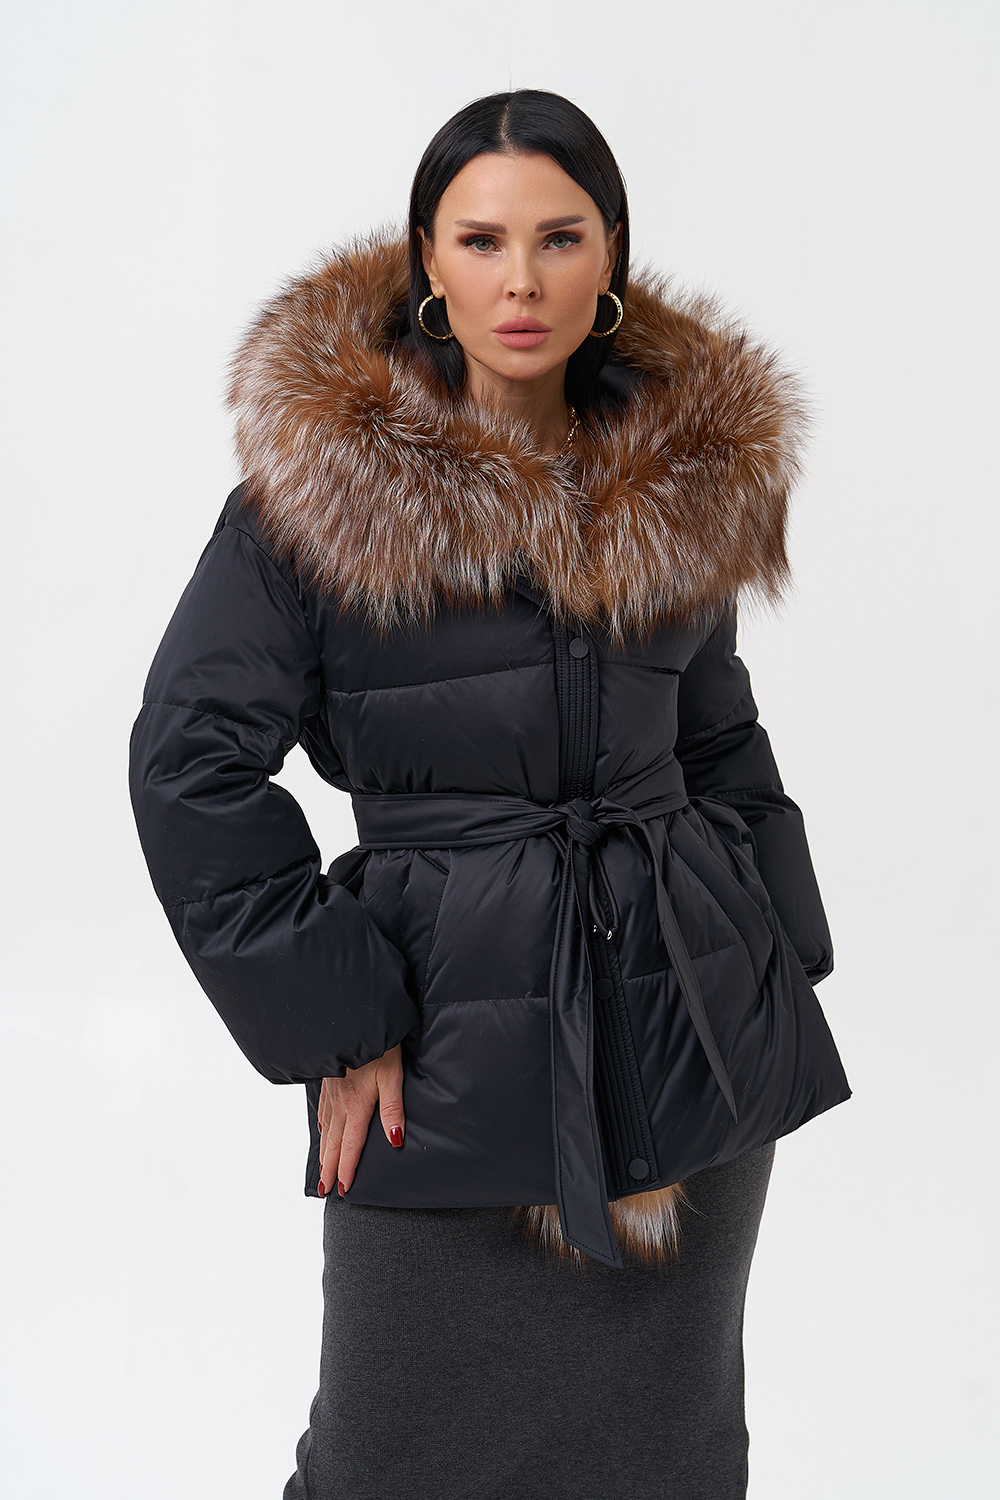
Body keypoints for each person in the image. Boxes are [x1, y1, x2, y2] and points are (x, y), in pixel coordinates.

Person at [129, 89, 850, 1500]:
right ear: (429, 263)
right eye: (482, 240)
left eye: (559, 238)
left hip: (686, 1036)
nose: (522, 280)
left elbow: (715, 735)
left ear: (611, 256)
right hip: (444, 1053)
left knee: (671, 1458)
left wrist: (776, 958)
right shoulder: (321, 495)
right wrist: (336, 1015)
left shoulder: (681, 478)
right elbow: (187, 759)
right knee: (387, 1461)